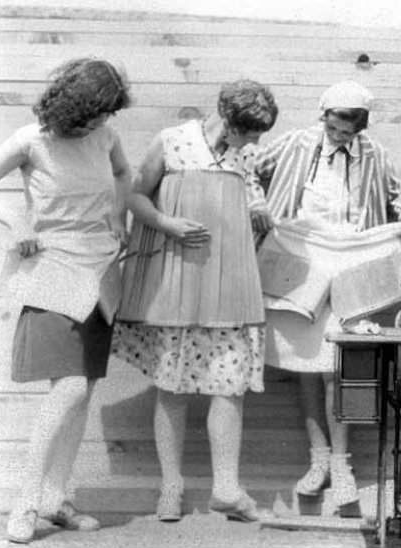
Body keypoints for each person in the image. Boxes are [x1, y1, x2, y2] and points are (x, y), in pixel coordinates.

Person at [0, 58, 132, 543]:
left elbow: (124, 174)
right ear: (72, 107)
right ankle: (25, 502)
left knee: (82, 393)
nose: (103, 123)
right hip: (52, 267)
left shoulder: (105, 138)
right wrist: (17, 223)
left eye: (108, 115)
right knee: (70, 389)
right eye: (96, 113)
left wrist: (118, 219)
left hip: (100, 269)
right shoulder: (30, 140)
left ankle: (56, 500)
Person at [253, 80, 401, 509]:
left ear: (360, 129)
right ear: (323, 116)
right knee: (304, 362)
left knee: (339, 362)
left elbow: (398, 194)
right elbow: (248, 169)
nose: (341, 138)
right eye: (335, 130)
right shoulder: (293, 143)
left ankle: (343, 463)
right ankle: (319, 460)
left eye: (349, 133)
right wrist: (259, 206)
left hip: (350, 259)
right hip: (300, 256)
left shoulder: (376, 154)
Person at [113, 80, 278, 522]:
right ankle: (171, 487)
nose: (255, 142)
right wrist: (167, 224)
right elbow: (133, 195)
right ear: (227, 119)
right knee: (171, 386)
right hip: (176, 284)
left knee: (230, 387)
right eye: (249, 132)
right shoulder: (171, 142)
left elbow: (251, 200)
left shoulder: (247, 156)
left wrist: (257, 212)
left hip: (231, 288)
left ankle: (226, 487)